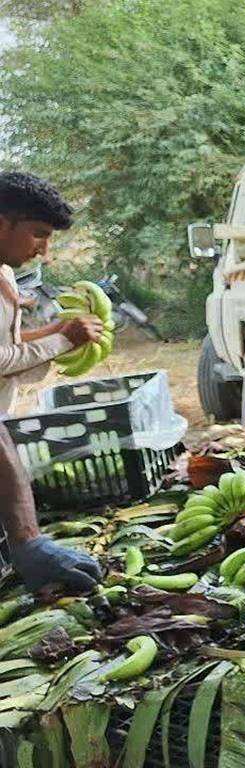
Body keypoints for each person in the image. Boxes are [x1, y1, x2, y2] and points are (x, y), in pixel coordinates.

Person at [0, 171, 105, 593]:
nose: (43, 250)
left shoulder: (5, 275)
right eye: (37, 234)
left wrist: (58, 336)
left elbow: (10, 346)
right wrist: (62, 338)